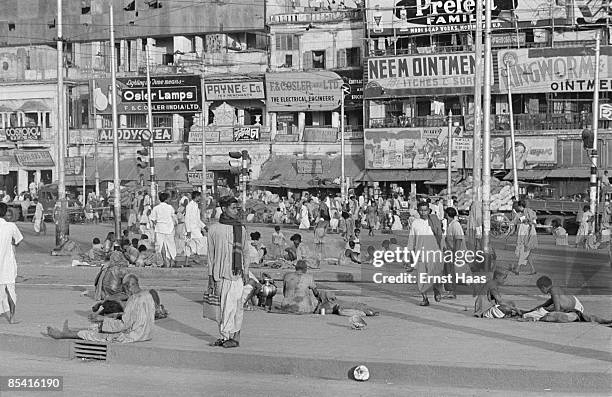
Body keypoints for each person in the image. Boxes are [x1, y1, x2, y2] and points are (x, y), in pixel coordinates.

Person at [47, 274, 156, 343]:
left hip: (134, 335)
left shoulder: (134, 299)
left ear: (128, 286)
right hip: (146, 333)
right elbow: (135, 318)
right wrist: (109, 318)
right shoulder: (148, 295)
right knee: (101, 325)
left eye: (124, 288)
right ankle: (70, 331)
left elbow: (124, 325)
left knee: (95, 334)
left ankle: (62, 335)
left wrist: (104, 321)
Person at [207, 196, 247, 348]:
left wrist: (246, 272)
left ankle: (234, 337)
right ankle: (225, 337)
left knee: (236, 307)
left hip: (237, 275)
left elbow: (246, 252)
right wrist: (210, 277)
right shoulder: (214, 229)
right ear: (224, 209)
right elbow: (211, 255)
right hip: (220, 275)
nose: (236, 211)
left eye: (237, 208)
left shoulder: (240, 228)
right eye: (233, 208)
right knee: (224, 308)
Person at [523, 276, 611, 324]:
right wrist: (533, 309)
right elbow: (546, 304)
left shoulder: (554, 291)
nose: (541, 291)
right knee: (543, 309)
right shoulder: (555, 289)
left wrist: (540, 312)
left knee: (549, 314)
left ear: (543, 287)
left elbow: (557, 309)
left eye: (540, 289)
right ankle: (604, 321)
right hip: (577, 305)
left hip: (573, 309)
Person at [406, 201, 444, 306]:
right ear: (418, 211)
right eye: (421, 210)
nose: (423, 212)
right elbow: (411, 240)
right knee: (421, 277)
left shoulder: (433, 221)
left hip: (433, 253)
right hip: (420, 254)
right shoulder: (415, 223)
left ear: (428, 210)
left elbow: (440, 236)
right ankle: (425, 298)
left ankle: (437, 290)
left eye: (425, 210)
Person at [0, 203, 23, 324]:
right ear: (5, 213)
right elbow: (18, 240)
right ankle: (12, 317)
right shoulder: (11, 226)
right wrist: (11, 243)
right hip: (7, 265)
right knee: (10, 291)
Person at [444, 207, 470, 299]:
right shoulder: (451, 225)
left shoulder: (455, 225)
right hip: (452, 252)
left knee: (452, 273)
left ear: (447, 214)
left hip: (457, 252)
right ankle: (452, 291)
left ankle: (452, 292)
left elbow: (458, 240)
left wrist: (455, 254)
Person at [150, 192, 178, 268]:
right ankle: (172, 260)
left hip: (159, 228)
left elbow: (152, 219)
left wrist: (157, 224)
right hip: (169, 229)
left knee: (160, 246)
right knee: (171, 245)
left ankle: (165, 261)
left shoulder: (156, 208)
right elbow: (174, 217)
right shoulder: (170, 207)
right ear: (166, 199)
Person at [511, 200, 538, 275]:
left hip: (525, 234)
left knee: (523, 251)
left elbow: (516, 222)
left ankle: (517, 269)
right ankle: (533, 270)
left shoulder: (522, 214)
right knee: (528, 253)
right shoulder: (531, 212)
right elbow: (535, 223)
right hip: (530, 233)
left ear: (520, 206)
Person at [185, 191, 207, 267]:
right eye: (199, 196)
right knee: (188, 245)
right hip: (190, 229)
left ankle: (196, 257)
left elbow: (197, 219)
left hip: (196, 228)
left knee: (200, 243)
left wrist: (204, 226)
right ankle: (188, 261)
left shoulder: (196, 206)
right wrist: (188, 231)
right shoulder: (189, 206)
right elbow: (187, 219)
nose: (200, 198)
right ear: (196, 196)